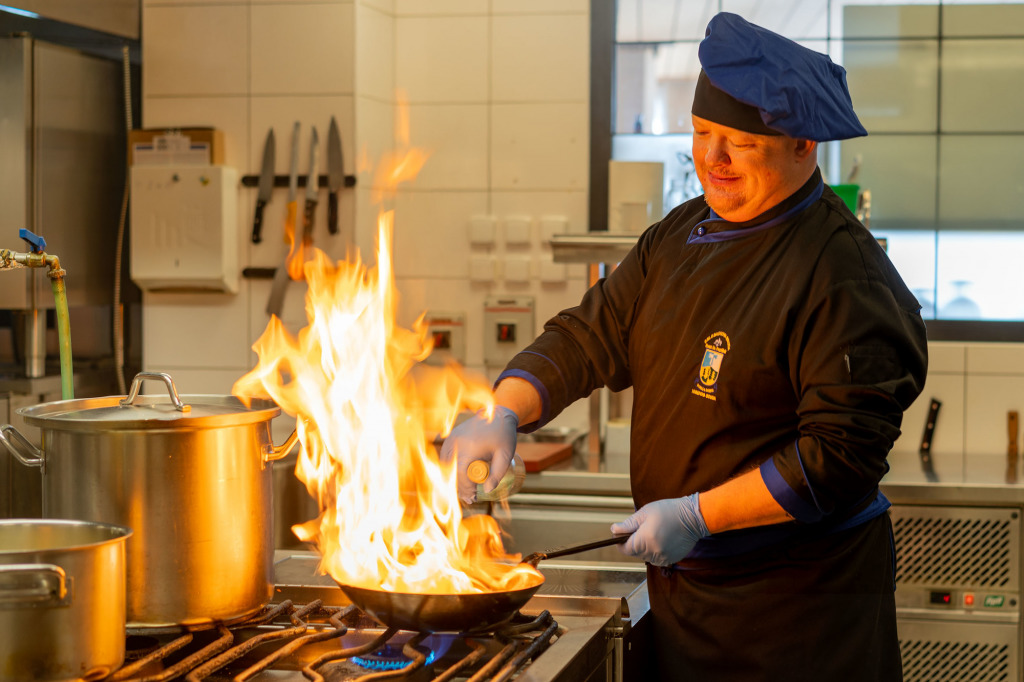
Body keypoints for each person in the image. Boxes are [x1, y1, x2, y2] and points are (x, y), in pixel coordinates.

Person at [441, 12, 927, 682]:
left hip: (798, 614)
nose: (713, 160)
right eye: (702, 134)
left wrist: (697, 514)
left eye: (739, 142)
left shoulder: (841, 274)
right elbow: (589, 334)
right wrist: (503, 411)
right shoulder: (680, 236)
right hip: (688, 598)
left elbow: (835, 457)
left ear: (802, 146)